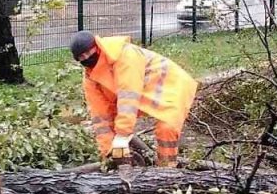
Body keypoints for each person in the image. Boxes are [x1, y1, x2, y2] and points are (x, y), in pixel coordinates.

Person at [70, 30, 198, 167]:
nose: (87, 58)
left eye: (88, 52)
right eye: (82, 57)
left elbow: (128, 98)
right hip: (144, 91)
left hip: (172, 84)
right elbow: (100, 115)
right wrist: (108, 150)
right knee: (115, 124)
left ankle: (167, 169)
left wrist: (122, 135)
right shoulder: (90, 76)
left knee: (166, 128)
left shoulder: (125, 55)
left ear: (97, 45)